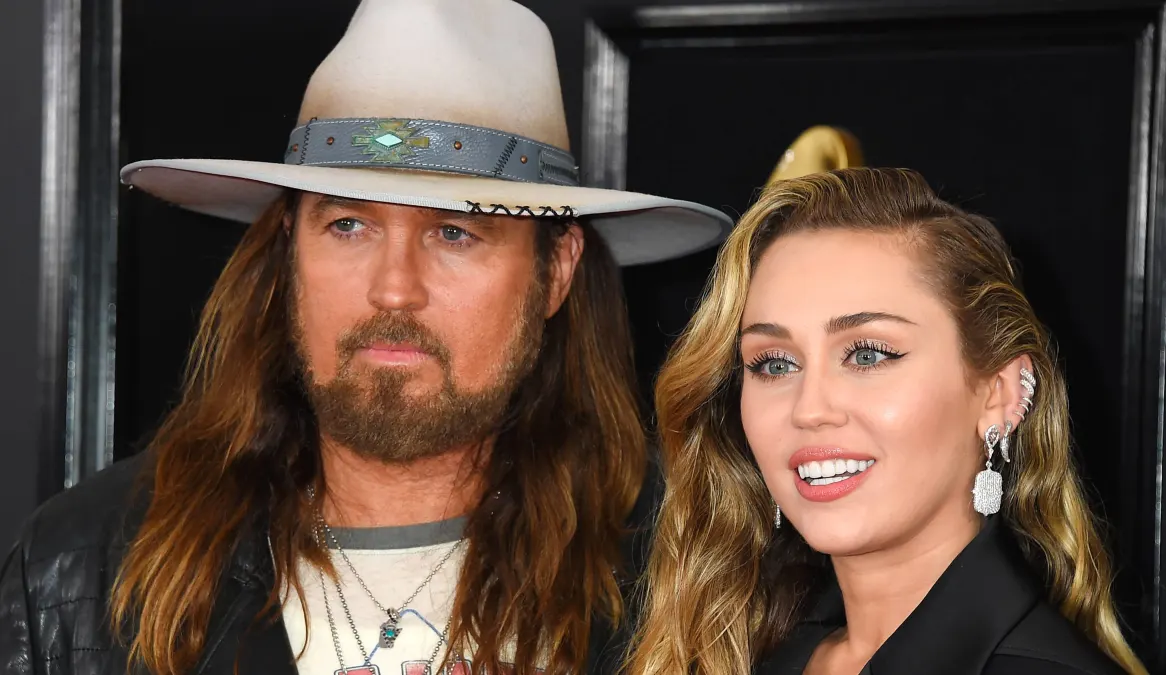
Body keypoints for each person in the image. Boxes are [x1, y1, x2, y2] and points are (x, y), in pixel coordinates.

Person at [0, 1, 731, 674]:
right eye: (348, 224)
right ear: (290, 251)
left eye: (454, 232)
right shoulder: (84, 570)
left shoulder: (691, 576)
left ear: (557, 271)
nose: (393, 288)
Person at [628, 168, 1145, 675]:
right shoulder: (750, 654)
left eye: (869, 355)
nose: (810, 409)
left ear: (1001, 394)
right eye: (775, 364)